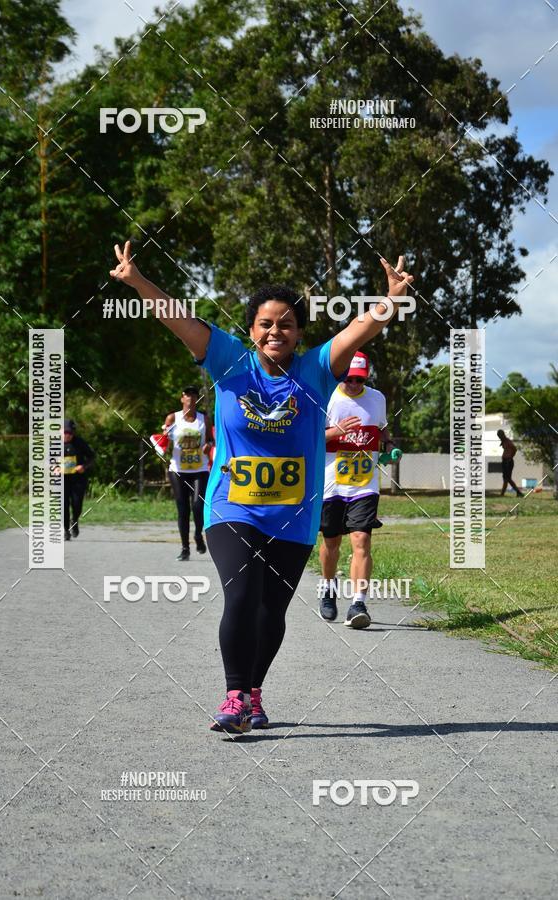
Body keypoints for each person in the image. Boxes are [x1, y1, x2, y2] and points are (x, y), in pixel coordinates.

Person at [110, 240, 413, 734]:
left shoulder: (317, 368)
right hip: (233, 506)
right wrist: (138, 281)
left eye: (287, 323)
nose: (276, 330)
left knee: (273, 610)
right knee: (242, 595)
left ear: (298, 333)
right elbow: (176, 317)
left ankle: (254, 691)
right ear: (251, 330)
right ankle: (233, 698)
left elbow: (362, 327)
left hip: (295, 514)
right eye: (266, 323)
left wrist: (392, 298)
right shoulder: (227, 358)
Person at [318, 351, 396, 628]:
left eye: (359, 380)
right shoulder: (328, 397)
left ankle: (358, 604)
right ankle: (328, 589)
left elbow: (382, 427)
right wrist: (336, 432)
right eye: (348, 379)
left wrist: (387, 443)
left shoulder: (376, 398)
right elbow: (311, 436)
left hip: (365, 483)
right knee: (331, 543)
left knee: (361, 540)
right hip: (332, 484)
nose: (353, 384)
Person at [162, 385, 212, 560]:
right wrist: (163, 441)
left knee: (198, 506)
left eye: (193, 395)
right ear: (182, 399)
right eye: (187, 395)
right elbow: (164, 442)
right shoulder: (172, 418)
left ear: (196, 399)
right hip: (178, 470)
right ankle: (185, 548)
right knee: (183, 509)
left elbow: (211, 440)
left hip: (199, 469)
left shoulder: (203, 419)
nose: (190, 397)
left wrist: (209, 446)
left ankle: (198, 535)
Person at [62, 419, 95, 540]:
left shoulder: (80, 443)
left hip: (78, 479)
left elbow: (92, 457)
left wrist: (84, 466)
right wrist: (53, 467)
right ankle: (66, 530)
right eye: (65, 432)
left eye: (70, 433)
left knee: (77, 505)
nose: (67, 435)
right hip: (61, 480)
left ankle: (74, 521)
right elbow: (46, 461)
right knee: (63, 506)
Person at [497, 429, 524, 497]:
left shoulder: (508, 441)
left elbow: (514, 449)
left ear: (503, 434)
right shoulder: (503, 441)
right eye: (498, 436)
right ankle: (502, 494)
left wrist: (510, 457)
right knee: (505, 478)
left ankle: (518, 492)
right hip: (504, 461)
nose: (499, 437)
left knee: (507, 478)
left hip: (508, 461)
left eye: (500, 435)